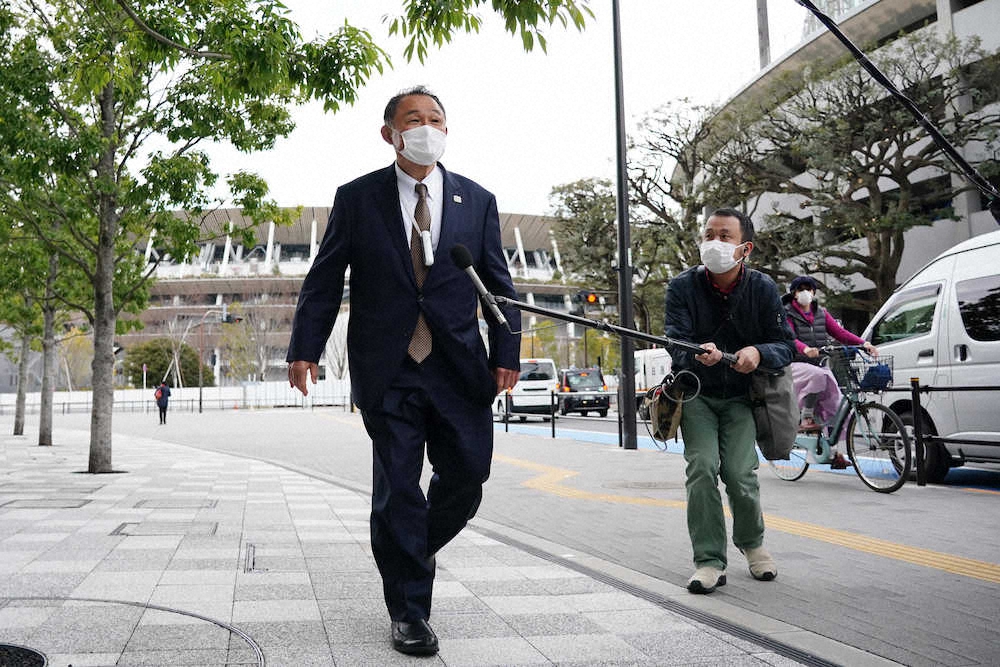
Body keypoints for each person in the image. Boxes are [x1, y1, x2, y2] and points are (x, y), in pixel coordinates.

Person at [286, 86, 521, 656]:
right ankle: (410, 613)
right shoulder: (357, 198)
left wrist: (506, 352)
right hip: (388, 367)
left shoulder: (477, 200)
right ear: (389, 133)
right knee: (398, 490)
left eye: (435, 118)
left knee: (468, 477)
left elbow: (497, 284)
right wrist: (304, 348)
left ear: (447, 130)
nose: (426, 127)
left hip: (457, 367)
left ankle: (406, 549)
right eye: (413, 119)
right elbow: (325, 279)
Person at [664, 208, 795, 594]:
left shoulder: (763, 288)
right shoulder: (681, 287)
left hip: (742, 397)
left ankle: (753, 545)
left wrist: (758, 352)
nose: (714, 243)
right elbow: (674, 341)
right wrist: (695, 354)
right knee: (702, 468)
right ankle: (708, 560)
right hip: (697, 395)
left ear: (744, 248)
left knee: (740, 474)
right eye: (709, 235)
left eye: (725, 236)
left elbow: (785, 345)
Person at [783, 275, 878, 469]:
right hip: (795, 364)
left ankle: (833, 452)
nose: (805, 292)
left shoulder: (821, 313)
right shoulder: (787, 313)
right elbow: (789, 338)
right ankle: (806, 415)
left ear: (814, 292)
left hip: (819, 363)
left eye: (808, 288)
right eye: (800, 289)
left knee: (835, 406)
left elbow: (840, 333)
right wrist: (804, 349)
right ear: (794, 293)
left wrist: (863, 344)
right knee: (819, 376)